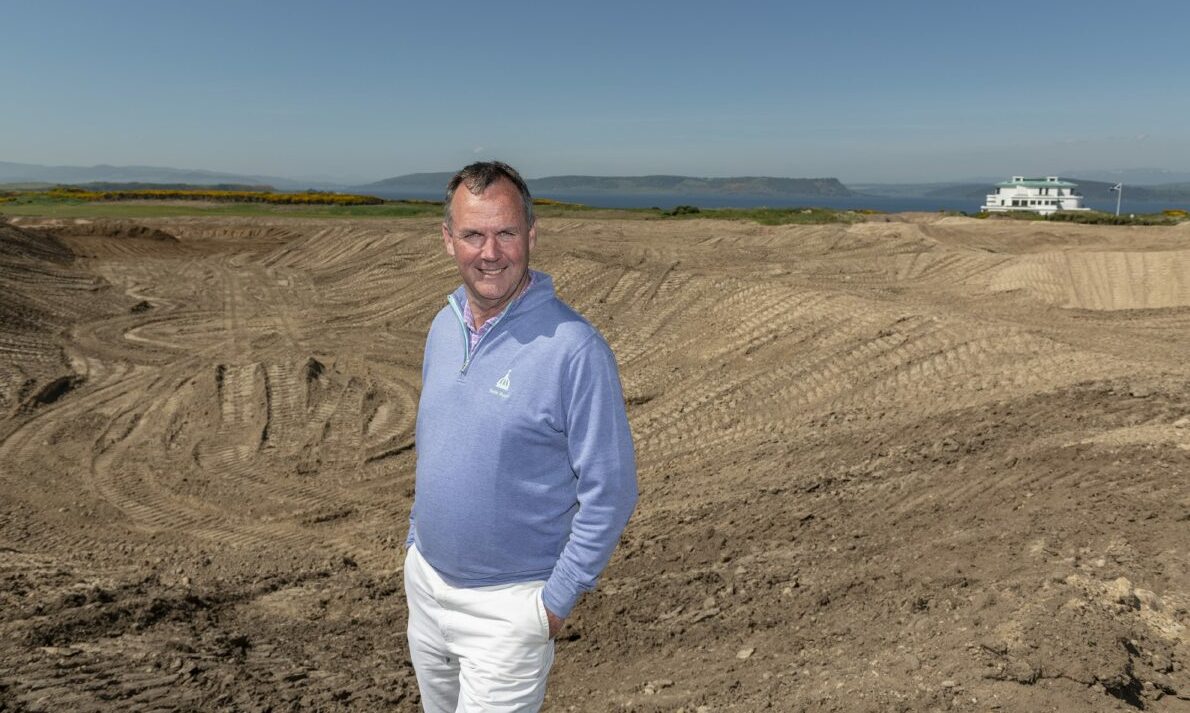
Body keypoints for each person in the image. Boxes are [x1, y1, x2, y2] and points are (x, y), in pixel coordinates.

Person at [404, 161, 638, 712]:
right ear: (447, 239)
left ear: (531, 235)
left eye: (506, 232)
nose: (490, 252)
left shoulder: (575, 350)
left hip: (509, 614)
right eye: (473, 234)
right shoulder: (444, 326)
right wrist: (417, 545)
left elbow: (612, 490)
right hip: (427, 589)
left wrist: (552, 604)